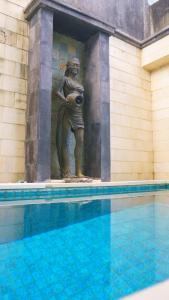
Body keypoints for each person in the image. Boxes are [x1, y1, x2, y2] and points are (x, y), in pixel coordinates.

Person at [56, 58, 85, 178]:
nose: (76, 67)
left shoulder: (78, 83)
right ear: (68, 66)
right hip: (67, 111)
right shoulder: (65, 79)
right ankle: (66, 171)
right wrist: (65, 100)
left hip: (78, 112)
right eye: (74, 65)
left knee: (80, 141)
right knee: (65, 142)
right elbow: (57, 91)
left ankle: (78, 172)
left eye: (78, 65)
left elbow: (81, 97)